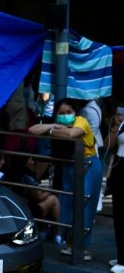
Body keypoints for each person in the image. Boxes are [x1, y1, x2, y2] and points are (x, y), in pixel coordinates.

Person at [29, 99, 101, 260]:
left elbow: (71, 134)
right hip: (69, 166)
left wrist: (50, 131)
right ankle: (70, 244)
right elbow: (32, 130)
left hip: (88, 165)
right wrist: (52, 126)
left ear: (75, 112)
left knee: (84, 206)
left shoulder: (81, 121)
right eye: (61, 113)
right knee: (67, 203)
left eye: (69, 112)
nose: (65, 115)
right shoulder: (57, 124)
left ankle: (83, 248)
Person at [108, 106, 124, 273]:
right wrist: (115, 126)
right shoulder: (122, 124)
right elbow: (108, 145)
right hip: (119, 166)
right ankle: (121, 255)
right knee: (118, 214)